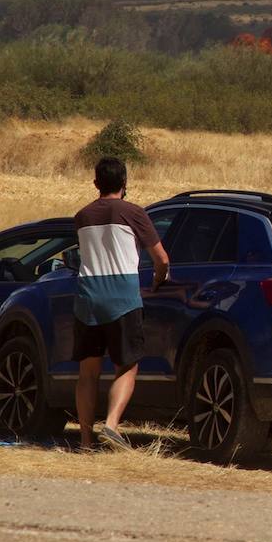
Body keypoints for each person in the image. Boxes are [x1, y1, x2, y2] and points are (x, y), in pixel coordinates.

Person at [73, 156, 169, 450]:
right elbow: (161, 258)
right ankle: (112, 425)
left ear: (95, 183)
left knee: (88, 372)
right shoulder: (133, 212)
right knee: (126, 366)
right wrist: (158, 278)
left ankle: (86, 441)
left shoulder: (82, 216)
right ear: (125, 183)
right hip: (122, 298)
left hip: (88, 297)